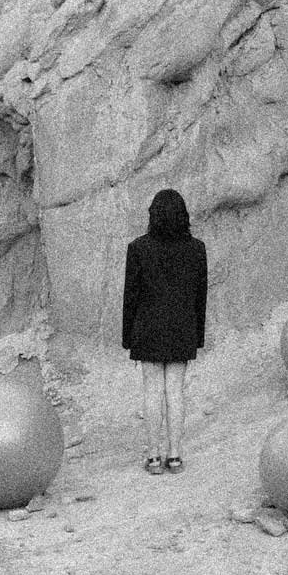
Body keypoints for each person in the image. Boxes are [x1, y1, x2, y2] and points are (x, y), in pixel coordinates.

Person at [121, 188, 208, 476]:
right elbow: (200, 297)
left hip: (147, 328)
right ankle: (175, 456)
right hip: (182, 328)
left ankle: (154, 457)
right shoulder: (197, 249)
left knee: (152, 392)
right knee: (175, 392)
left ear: (153, 216)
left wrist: (127, 337)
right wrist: (197, 336)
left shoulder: (138, 248)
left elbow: (130, 297)